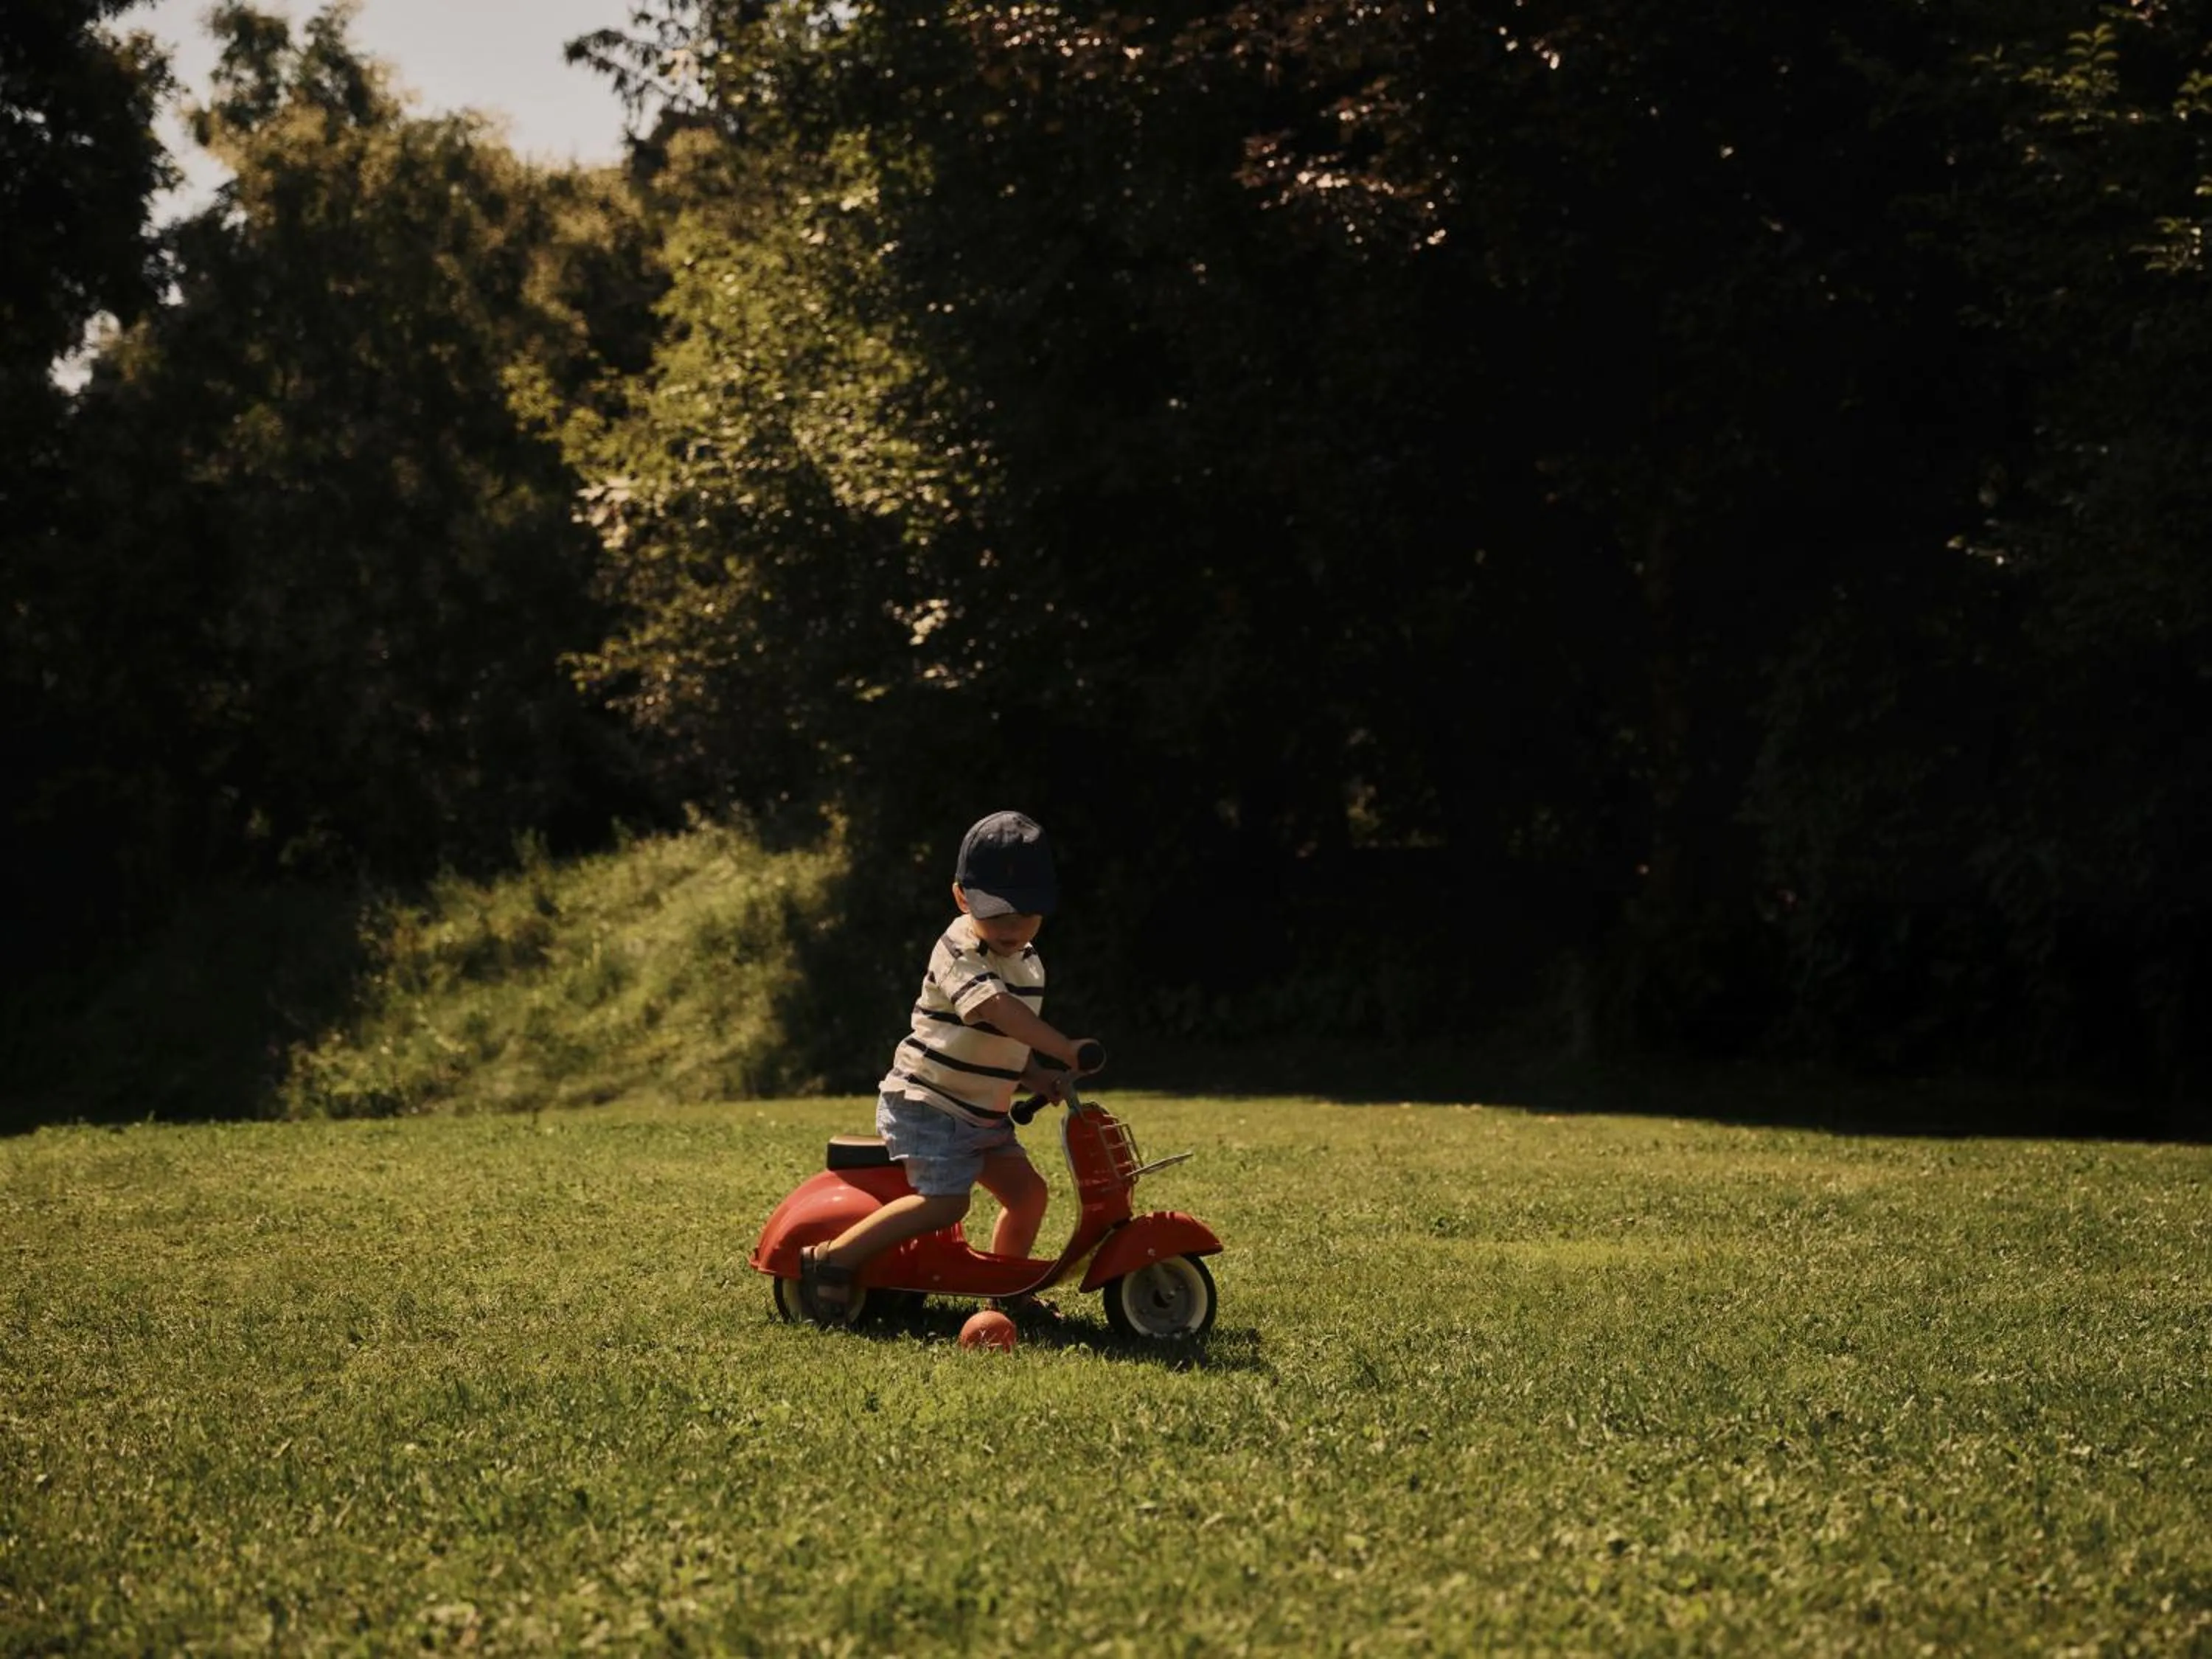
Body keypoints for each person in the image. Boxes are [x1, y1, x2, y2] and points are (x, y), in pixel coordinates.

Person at [797, 810, 1099, 1326]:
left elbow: (1005, 1043)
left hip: (982, 1115)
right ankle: (832, 1259)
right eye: (997, 913)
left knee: (1030, 1195)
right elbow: (995, 1011)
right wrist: (1063, 1047)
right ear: (962, 898)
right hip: (929, 1103)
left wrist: (1038, 1077)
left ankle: (1010, 1292)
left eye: (1026, 913)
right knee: (945, 1203)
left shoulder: (1029, 961)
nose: (1012, 926)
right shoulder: (957, 948)